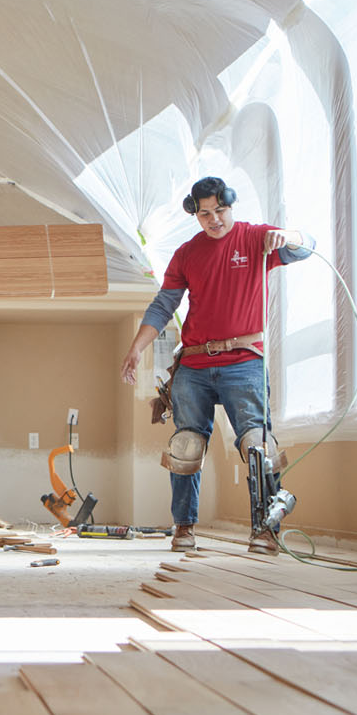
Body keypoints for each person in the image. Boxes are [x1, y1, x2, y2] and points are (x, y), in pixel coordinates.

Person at [120, 176, 314, 554]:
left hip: (244, 361)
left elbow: (308, 247)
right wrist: (136, 347)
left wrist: (288, 236)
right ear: (196, 214)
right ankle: (184, 528)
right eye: (205, 214)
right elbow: (164, 305)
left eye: (220, 211)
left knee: (258, 446)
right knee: (186, 446)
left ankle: (265, 530)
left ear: (231, 206)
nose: (215, 220)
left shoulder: (256, 238)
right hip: (193, 364)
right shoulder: (187, 254)